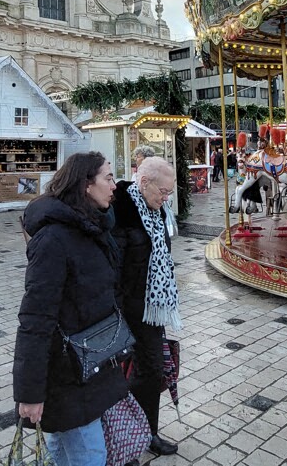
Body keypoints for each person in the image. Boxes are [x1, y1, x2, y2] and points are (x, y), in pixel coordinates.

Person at [14, 152, 126, 466]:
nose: (114, 185)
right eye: (108, 177)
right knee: (91, 456)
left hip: (89, 363)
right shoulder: (53, 240)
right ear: (86, 185)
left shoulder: (92, 228)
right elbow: (35, 319)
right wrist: (30, 392)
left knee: (62, 452)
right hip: (66, 373)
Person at [112, 156, 181, 458]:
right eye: (163, 192)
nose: (166, 199)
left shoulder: (157, 210)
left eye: (170, 193)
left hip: (152, 306)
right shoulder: (121, 212)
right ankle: (131, 434)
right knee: (139, 372)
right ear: (143, 183)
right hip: (125, 309)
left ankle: (145, 432)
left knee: (152, 370)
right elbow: (112, 268)